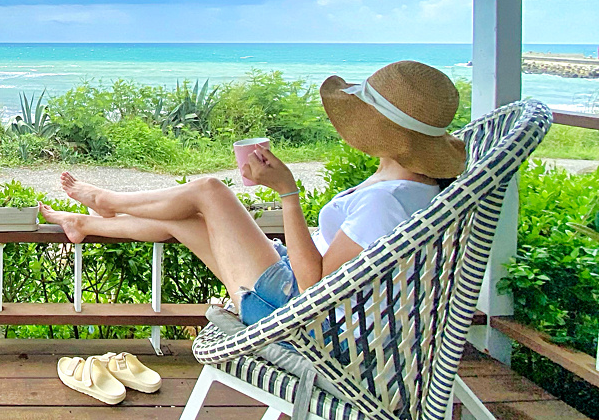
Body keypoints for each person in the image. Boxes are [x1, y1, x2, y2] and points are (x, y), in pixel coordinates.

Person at [38, 60, 467, 326]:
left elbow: (313, 283)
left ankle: (107, 201)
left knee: (209, 191)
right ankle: (83, 222)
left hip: (292, 314)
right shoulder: (415, 189)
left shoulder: (385, 203)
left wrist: (288, 192)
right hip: (295, 291)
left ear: (382, 132)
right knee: (188, 218)